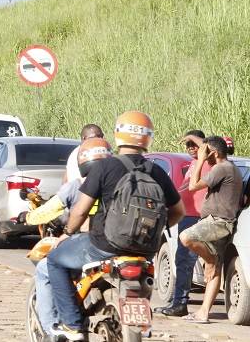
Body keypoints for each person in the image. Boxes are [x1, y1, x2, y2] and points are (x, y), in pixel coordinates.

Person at [46, 111, 184, 341]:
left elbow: (80, 210)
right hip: (144, 249)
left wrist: (67, 234)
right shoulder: (156, 171)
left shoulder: (104, 166)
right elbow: (178, 211)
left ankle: (71, 324)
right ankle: (139, 321)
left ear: (118, 134)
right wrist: (154, 231)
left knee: (55, 261)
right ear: (148, 137)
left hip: (105, 244)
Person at [27, 137, 112, 339]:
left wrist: (28, 217)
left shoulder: (77, 185)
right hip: (119, 244)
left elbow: (53, 210)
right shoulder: (119, 180)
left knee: (46, 267)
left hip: (89, 244)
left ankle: (51, 329)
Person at [179, 135, 244, 324]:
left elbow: (192, 185)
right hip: (219, 222)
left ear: (214, 153)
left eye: (205, 151)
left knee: (186, 237)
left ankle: (210, 258)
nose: (203, 154)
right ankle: (203, 313)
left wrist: (199, 160)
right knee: (214, 272)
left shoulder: (222, 168)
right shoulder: (228, 168)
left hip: (218, 222)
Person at [155, 129, 206, 317]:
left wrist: (191, 137)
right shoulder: (193, 165)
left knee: (184, 261)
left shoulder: (206, 161)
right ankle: (178, 302)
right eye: (188, 145)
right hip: (187, 216)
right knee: (181, 260)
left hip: (195, 217)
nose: (191, 147)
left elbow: (205, 147)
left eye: (194, 144)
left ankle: (180, 304)